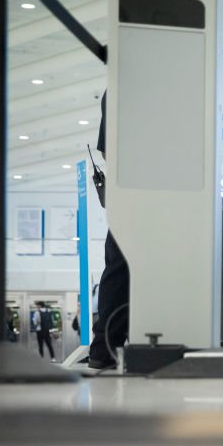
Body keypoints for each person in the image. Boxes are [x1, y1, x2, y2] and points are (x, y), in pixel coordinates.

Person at [88, 91, 130, 370]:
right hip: (140, 192)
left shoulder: (117, 86)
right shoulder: (122, 87)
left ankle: (105, 348)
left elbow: (106, 150)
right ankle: (106, 347)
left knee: (119, 268)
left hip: (127, 191)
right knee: (121, 269)